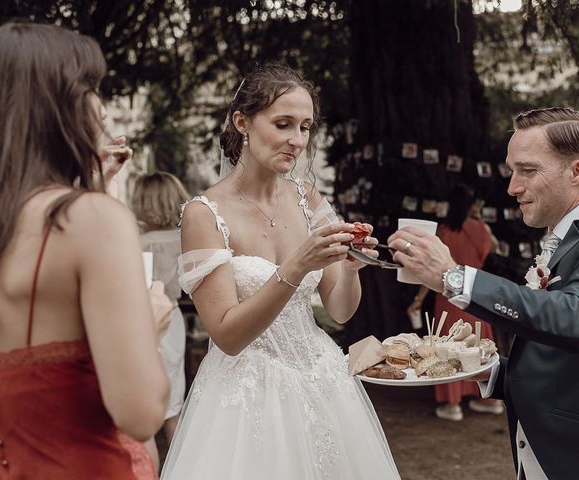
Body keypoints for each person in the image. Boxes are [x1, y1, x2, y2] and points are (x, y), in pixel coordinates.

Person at [161, 63, 400, 479]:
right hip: (247, 394)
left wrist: (351, 266)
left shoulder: (308, 199)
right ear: (243, 122)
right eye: (283, 124)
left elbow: (340, 310)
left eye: (305, 127)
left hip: (323, 380)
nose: (297, 141)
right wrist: (296, 266)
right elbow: (228, 335)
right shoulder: (204, 214)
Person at [388, 107, 579, 479]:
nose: (512, 186)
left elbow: (577, 319)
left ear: (578, 171)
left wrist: (453, 277)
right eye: (511, 171)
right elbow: (564, 365)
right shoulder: (561, 240)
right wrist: (487, 371)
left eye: (528, 170)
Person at [0, 22, 171, 479]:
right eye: (91, 88)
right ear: (54, 106)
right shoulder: (89, 220)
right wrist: (147, 326)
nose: (105, 111)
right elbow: (140, 413)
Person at [406, 184, 502, 421]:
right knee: (478, 346)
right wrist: (479, 223)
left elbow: (430, 270)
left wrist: (418, 300)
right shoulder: (482, 229)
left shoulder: (444, 233)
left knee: (447, 349)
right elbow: (495, 248)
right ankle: (487, 399)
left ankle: (453, 404)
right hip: (476, 295)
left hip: (449, 297)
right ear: (471, 206)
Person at [131, 171, 190, 464]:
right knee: (173, 399)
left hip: (146, 319)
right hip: (175, 315)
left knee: (144, 394)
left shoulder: (141, 242)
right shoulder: (185, 239)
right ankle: (180, 465)